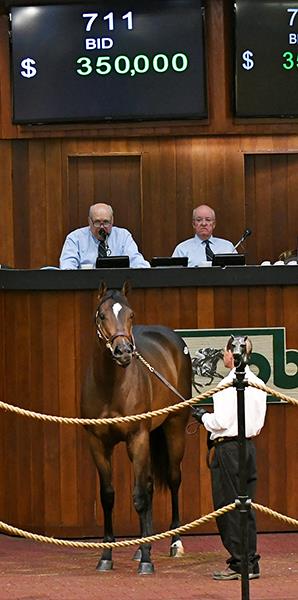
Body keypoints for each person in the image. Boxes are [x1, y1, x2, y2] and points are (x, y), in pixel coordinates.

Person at [192, 336, 267, 581]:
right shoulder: (258, 382)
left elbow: (221, 422)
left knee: (228, 507)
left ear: (230, 354)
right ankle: (250, 561)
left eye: (225, 352)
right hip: (249, 449)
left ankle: (239, 564)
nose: (224, 356)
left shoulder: (227, 385)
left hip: (229, 451)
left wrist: (203, 417)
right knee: (246, 507)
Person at [59, 203, 150, 269]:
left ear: (112, 221)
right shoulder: (75, 238)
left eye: (106, 222)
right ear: (89, 221)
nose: (102, 227)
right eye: (97, 222)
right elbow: (67, 267)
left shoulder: (123, 236)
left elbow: (137, 262)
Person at [172, 204, 237, 267]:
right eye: (199, 220)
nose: (203, 223)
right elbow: (174, 274)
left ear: (214, 224)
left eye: (208, 220)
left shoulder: (227, 247)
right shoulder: (182, 249)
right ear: (194, 224)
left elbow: (238, 272)